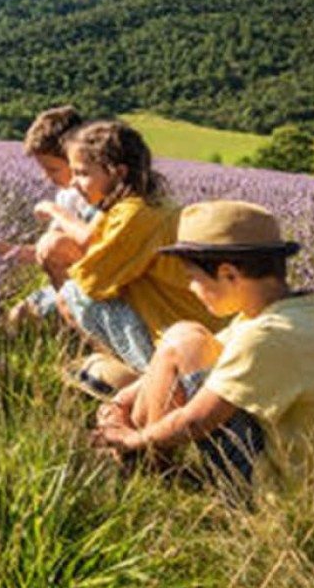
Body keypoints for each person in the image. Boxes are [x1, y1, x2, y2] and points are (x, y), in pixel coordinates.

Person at [93, 200, 314, 496]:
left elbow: (196, 421)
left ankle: (143, 472)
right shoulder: (297, 314)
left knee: (183, 342)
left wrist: (130, 439)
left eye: (193, 278)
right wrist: (118, 404)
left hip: (280, 492)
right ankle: (137, 464)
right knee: (187, 338)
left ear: (228, 274)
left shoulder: (267, 336)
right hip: (311, 480)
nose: (190, 289)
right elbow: (175, 363)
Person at [56, 121, 224, 391]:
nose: (73, 183)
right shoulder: (149, 203)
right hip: (200, 332)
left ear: (118, 173)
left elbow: (91, 283)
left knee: (72, 295)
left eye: (82, 173)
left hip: (182, 340)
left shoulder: (134, 215)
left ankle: (147, 383)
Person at [0, 105, 97, 325]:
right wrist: (5, 251)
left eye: (52, 169)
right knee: (16, 317)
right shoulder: (65, 195)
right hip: (73, 283)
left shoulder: (100, 195)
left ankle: (82, 327)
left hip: (99, 291)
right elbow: (44, 252)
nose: (46, 178)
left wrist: (55, 212)